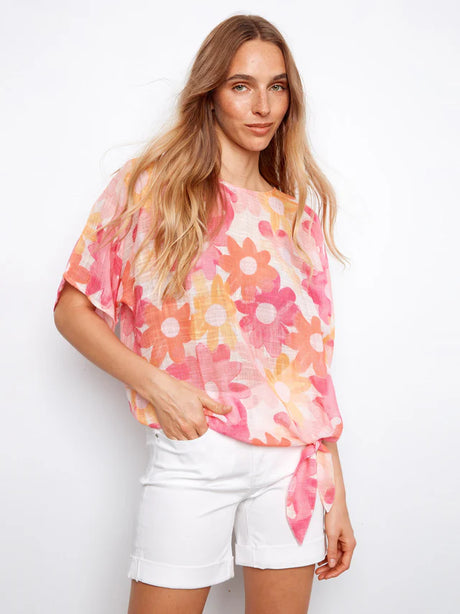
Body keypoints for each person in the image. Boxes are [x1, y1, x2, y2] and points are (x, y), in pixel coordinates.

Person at [53, 13, 356, 614]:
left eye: (276, 87)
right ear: (211, 93)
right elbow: (72, 309)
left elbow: (310, 373)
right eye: (242, 86)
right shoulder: (150, 189)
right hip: (195, 456)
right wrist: (160, 388)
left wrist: (336, 489)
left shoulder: (297, 220)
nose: (262, 106)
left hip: (291, 468)